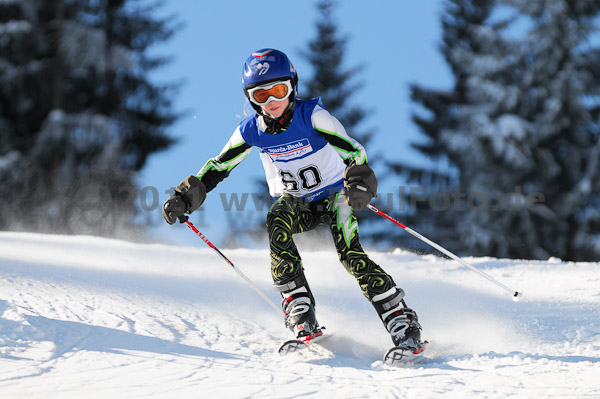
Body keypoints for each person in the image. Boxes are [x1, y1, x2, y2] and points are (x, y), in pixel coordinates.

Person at [162, 48, 423, 350]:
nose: (272, 102)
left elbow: (354, 152)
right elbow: (219, 166)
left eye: (278, 91)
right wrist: (184, 198)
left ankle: (400, 319)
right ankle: (299, 307)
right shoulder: (252, 130)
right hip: (298, 202)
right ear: (250, 99)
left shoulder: (313, 116)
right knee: (277, 218)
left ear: (293, 87)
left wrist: (358, 183)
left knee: (350, 255)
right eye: (261, 96)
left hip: (336, 195)